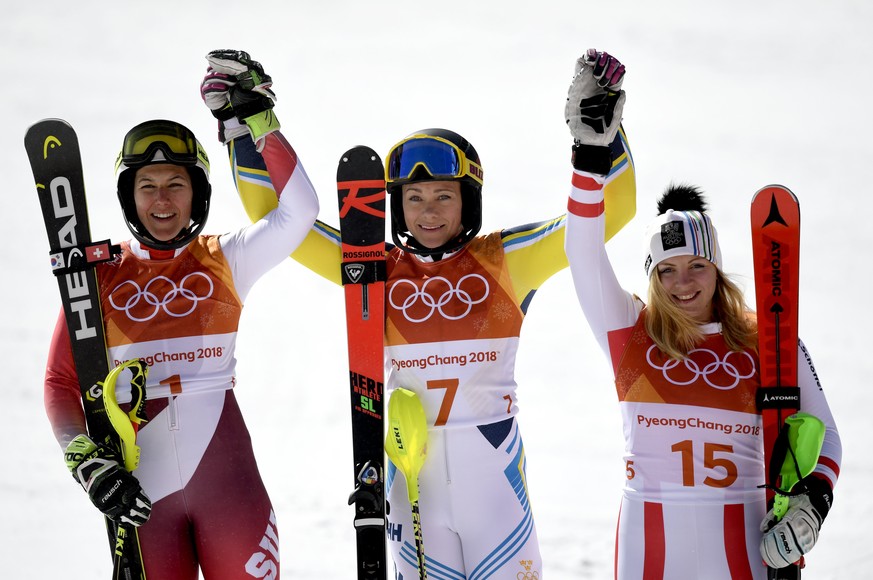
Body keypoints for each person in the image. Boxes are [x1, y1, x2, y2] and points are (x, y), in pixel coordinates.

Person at [201, 51, 636, 578]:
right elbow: (277, 221)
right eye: (414, 197)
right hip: (412, 488)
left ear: (468, 200)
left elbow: (607, 219)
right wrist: (248, 126)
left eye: (443, 196)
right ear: (396, 205)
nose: (428, 212)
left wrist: (603, 135)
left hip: (495, 493)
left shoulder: (507, 261)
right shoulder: (374, 268)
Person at [563, 49, 842, 579]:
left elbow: (825, 433)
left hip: (741, 542)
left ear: (717, 269)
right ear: (651, 277)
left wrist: (812, 505)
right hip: (648, 543)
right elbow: (581, 252)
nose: (682, 283)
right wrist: (588, 158)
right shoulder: (628, 333)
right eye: (666, 271)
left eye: (696, 266)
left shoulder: (766, 338)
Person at [44, 54, 319, 579]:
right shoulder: (98, 275)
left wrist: (257, 121)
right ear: (130, 196)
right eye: (148, 185)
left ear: (198, 193)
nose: (163, 200)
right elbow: (60, 380)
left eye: (176, 183)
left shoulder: (227, 258)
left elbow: (300, 212)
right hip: (143, 496)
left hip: (227, 489)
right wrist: (84, 460)